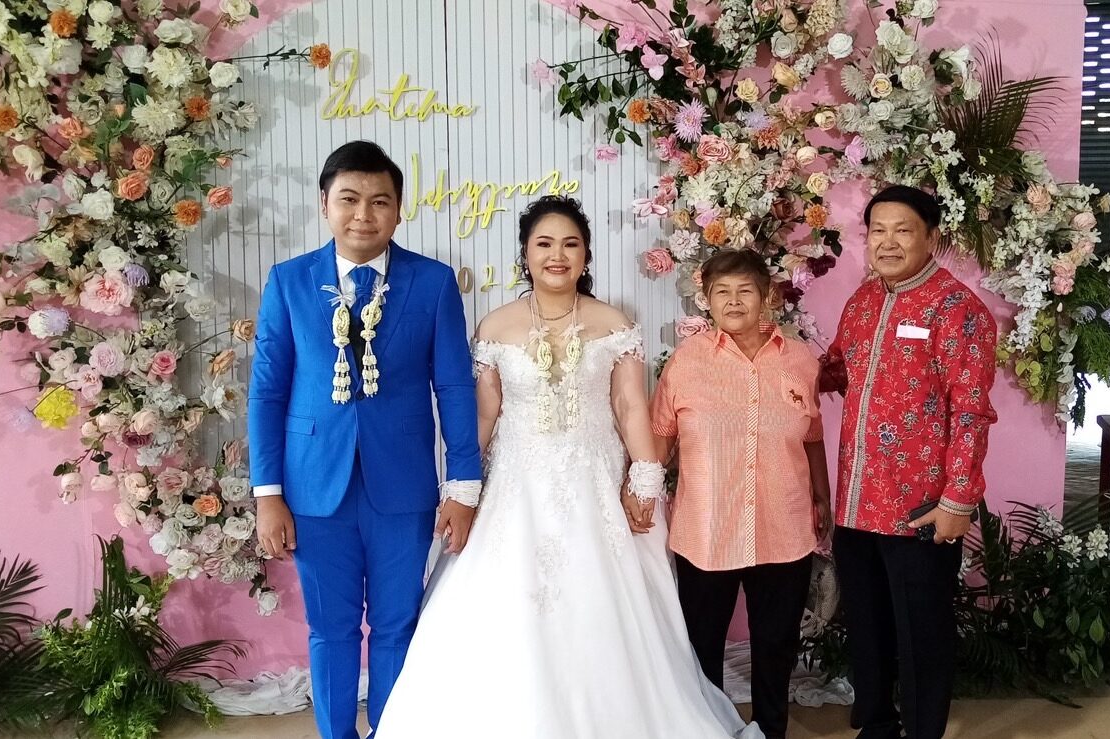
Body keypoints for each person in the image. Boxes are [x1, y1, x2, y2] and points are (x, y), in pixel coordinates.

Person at [375, 196, 761, 738]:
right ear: (525, 254)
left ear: (585, 255)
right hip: (514, 490)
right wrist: (463, 488)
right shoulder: (495, 326)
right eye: (544, 243)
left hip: (596, 486)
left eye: (570, 244)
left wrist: (645, 477)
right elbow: (484, 415)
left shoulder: (614, 324)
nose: (557, 255)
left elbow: (630, 406)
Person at [248, 140, 483, 739]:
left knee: (397, 624)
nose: (363, 214)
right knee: (330, 629)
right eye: (349, 199)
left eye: (379, 201)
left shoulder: (432, 283)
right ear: (324, 204)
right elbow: (267, 393)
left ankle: (390, 730)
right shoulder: (288, 281)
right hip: (312, 486)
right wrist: (267, 494)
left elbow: (455, 387)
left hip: (402, 485)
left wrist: (463, 485)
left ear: (399, 210)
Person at [821, 185, 998, 739]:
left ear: (931, 237)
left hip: (920, 506)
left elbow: (971, 412)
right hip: (857, 501)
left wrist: (958, 501)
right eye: (878, 231)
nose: (888, 242)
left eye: (903, 230)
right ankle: (876, 725)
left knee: (921, 632)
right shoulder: (862, 302)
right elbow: (835, 369)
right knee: (867, 625)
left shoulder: (958, 309)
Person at [651, 249, 832, 739]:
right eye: (722, 292)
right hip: (707, 531)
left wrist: (822, 496)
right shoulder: (686, 363)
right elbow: (661, 437)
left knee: (775, 644)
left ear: (767, 296)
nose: (733, 301)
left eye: (745, 290)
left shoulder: (799, 360)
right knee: (701, 645)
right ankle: (707, 728)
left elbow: (812, 435)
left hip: (783, 527)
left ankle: (770, 730)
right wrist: (639, 493)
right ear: (707, 300)